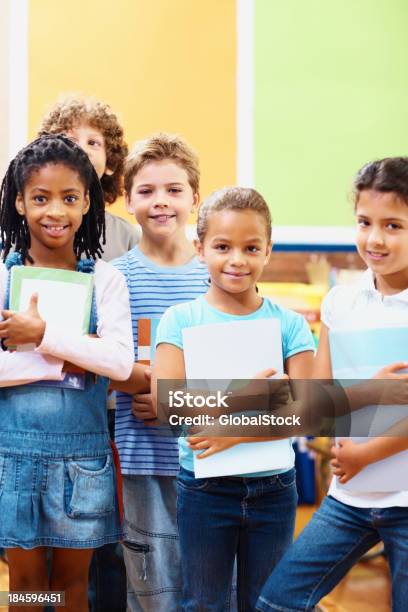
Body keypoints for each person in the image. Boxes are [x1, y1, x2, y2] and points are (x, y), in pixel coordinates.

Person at [256, 157, 408, 612]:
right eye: (364, 222)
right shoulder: (341, 301)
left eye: (394, 225)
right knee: (276, 603)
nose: (375, 239)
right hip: (351, 497)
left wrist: (366, 452)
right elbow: (317, 395)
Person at [153, 187, 315, 611]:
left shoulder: (290, 325)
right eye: (223, 247)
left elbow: (309, 412)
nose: (237, 260)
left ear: (268, 250)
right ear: (200, 248)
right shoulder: (180, 319)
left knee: (265, 603)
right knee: (202, 604)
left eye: (251, 247)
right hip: (205, 489)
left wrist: (233, 432)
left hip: (275, 488)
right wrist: (248, 399)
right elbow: (170, 409)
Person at [0, 134, 134, 611]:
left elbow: (118, 362)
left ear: (87, 203)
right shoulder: (1, 276)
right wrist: (77, 355)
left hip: (82, 459)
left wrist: (39, 336)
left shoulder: (106, 279)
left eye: (69, 198)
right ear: (19, 201)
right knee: (28, 586)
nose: (54, 211)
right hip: (12, 456)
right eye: (40, 198)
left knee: (74, 587)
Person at [110, 132, 208, 611]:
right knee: (151, 589)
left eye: (174, 189)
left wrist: (173, 396)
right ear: (128, 200)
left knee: (210, 587)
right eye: (146, 191)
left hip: (211, 463)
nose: (161, 202)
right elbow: (110, 363)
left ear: (195, 197)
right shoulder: (115, 279)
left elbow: (237, 369)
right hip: (143, 463)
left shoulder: (216, 276)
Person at [39, 95, 141, 261]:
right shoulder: (29, 228)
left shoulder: (127, 237)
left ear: (111, 164)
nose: (81, 149)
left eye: (93, 143)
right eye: (70, 140)